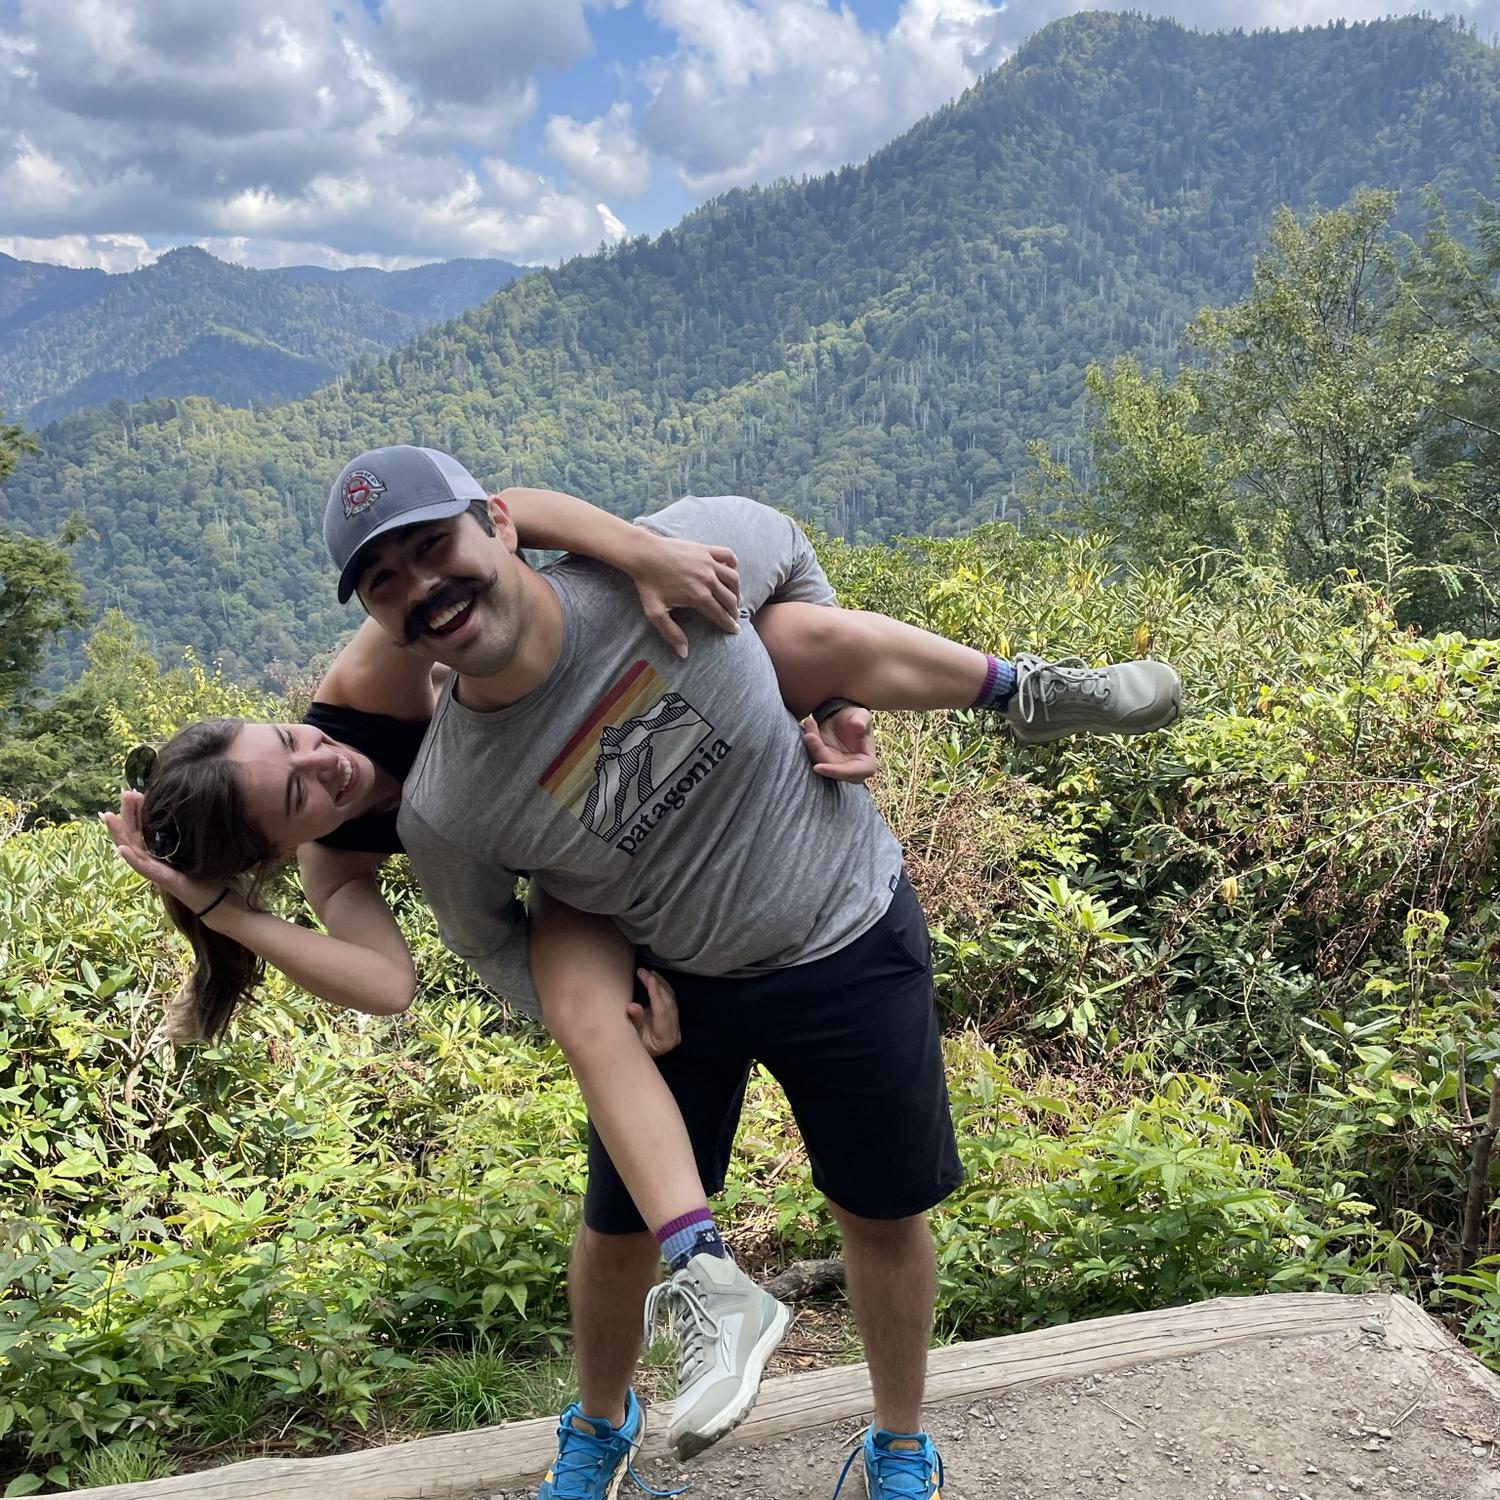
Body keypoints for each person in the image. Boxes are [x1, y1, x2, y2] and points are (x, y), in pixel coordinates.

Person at [296, 445, 1180, 1500]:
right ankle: (600, 1430)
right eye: (383, 582)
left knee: (883, 1215)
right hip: (679, 988)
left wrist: (834, 706)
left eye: (432, 547)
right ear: (373, 617)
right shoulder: (449, 800)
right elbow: (488, 941)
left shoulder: (673, 563)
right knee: (619, 1232)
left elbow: (795, 565)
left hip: (844, 930)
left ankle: (899, 1443)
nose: (421, 591)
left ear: (499, 524)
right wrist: (609, 1017)